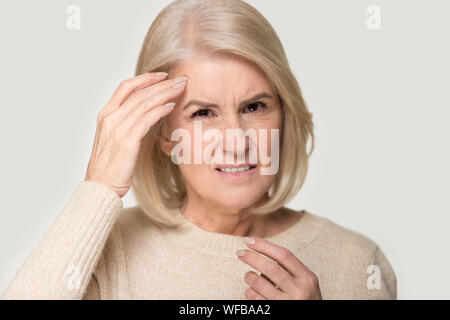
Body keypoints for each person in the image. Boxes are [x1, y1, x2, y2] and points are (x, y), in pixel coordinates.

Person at [2, 0, 396, 300]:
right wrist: (99, 185)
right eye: (203, 112)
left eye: (254, 106)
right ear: (162, 131)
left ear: (284, 112)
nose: (236, 139)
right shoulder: (108, 250)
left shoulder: (357, 262)